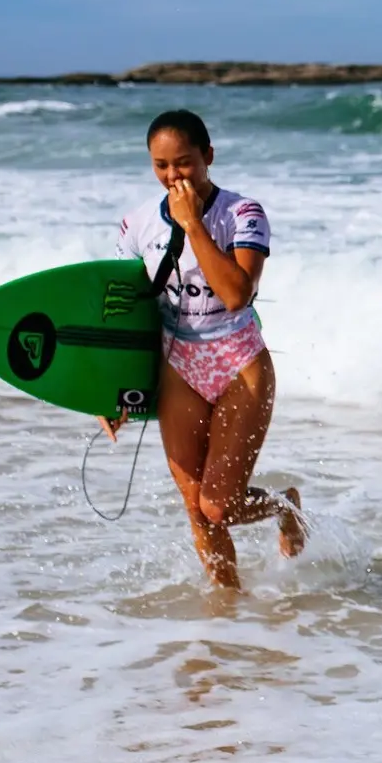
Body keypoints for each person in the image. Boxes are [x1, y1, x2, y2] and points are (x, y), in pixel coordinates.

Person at [100, 109, 304, 588]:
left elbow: (237, 294)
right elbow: (130, 313)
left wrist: (193, 226)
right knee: (197, 508)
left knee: (221, 505)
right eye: (161, 165)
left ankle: (284, 504)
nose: (173, 176)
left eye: (184, 163)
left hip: (239, 367)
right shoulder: (135, 226)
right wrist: (113, 390)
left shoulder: (242, 214)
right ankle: (228, 614)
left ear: (208, 156)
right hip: (179, 369)